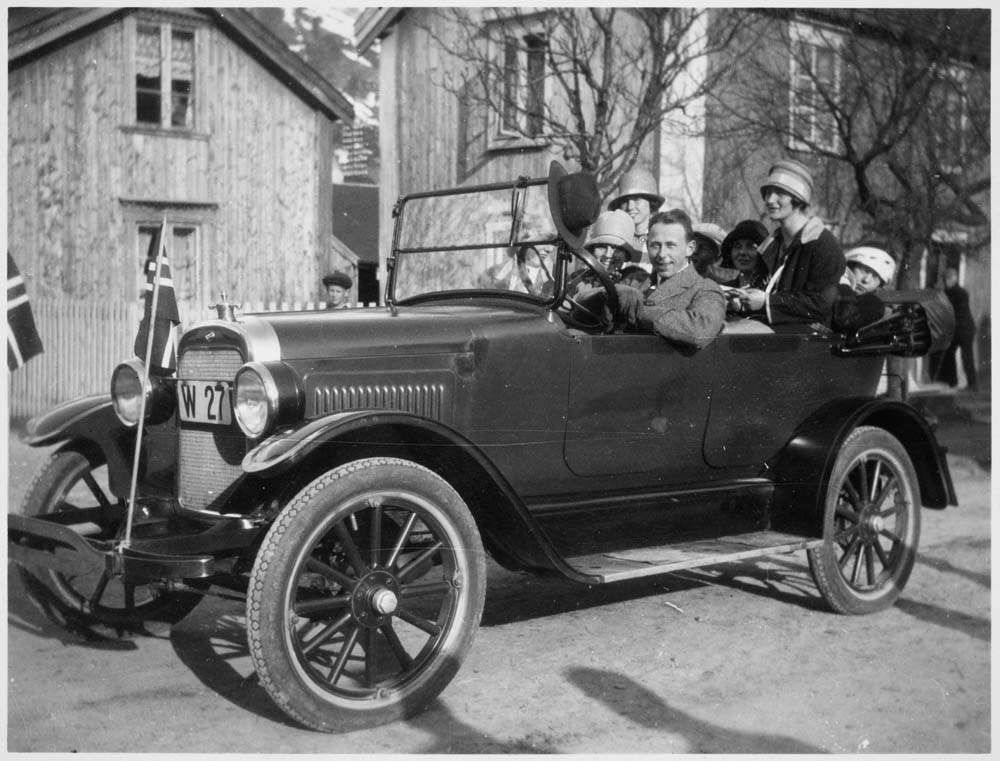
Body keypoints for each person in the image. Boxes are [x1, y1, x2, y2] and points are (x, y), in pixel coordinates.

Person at [736, 160, 845, 325]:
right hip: (774, 336)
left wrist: (767, 302)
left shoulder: (823, 245)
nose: (770, 200)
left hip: (810, 341)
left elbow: (821, 304)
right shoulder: (771, 245)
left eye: (779, 193)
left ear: (798, 199)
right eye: (767, 193)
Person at [612, 209, 726, 350]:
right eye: (655, 245)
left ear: (690, 248)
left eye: (671, 245)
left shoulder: (705, 289)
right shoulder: (634, 281)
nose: (662, 254)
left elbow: (700, 331)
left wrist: (639, 311)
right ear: (647, 246)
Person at [570, 209, 640, 295]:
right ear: (592, 250)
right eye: (601, 247)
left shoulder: (634, 282)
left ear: (625, 255)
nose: (608, 254)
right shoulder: (577, 280)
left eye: (616, 249)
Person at [930, 267, 978, 390]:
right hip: (955, 331)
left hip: (965, 330)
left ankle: (972, 385)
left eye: (948, 279)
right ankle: (952, 382)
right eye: (945, 279)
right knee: (949, 355)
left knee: (966, 356)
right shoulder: (946, 293)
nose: (946, 282)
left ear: (954, 278)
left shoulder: (961, 293)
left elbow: (957, 313)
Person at [607, 167, 663, 268]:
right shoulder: (613, 240)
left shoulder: (661, 238)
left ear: (651, 203)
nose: (630, 207)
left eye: (637, 200)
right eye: (625, 201)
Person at [478, 244, 554, 298]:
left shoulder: (557, 281)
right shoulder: (490, 275)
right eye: (543, 240)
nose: (550, 249)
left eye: (552, 242)